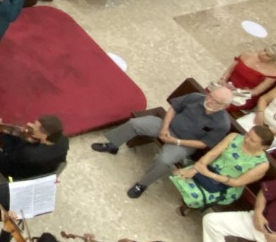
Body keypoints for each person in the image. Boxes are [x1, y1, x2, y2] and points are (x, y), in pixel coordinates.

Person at [92, 84, 236, 199]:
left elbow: (204, 144)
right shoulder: (196, 97)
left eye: (216, 102)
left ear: (225, 106)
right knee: (134, 124)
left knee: (164, 161)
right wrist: (165, 127)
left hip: (184, 143)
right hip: (168, 126)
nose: (210, 101)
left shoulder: (222, 124)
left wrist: (177, 141)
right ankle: (113, 145)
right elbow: (174, 108)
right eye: (210, 96)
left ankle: (142, 184)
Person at [170, 125, 271, 211]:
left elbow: (237, 183)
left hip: (225, 185)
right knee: (180, 175)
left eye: (252, 140)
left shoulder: (261, 164)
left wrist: (208, 174)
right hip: (209, 167)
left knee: (195, 195)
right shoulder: (234, 137)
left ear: (263, 147)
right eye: (247, 134)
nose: (246, 139)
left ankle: (188, 206)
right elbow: (212, 154)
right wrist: (195, 169)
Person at [0, 115, 68, 180]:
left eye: (34, 128)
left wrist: (0, 130)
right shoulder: (64, 141)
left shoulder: (29, 153)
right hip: (40, 171)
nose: (30, 127)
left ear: (44, 135)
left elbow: (10, 151)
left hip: (17, 175)